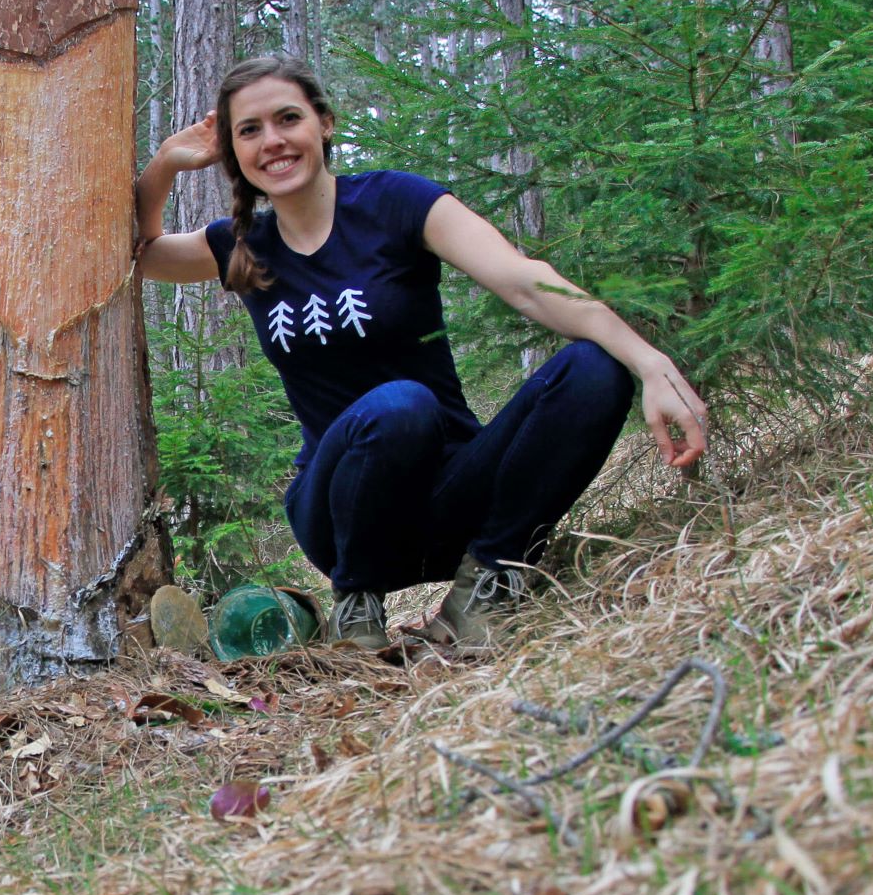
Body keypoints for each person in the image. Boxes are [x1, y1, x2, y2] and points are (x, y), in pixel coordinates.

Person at [136, 55, 706, 653]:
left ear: (324, 123)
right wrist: (169, 162)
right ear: (232, 150)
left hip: (451, 498)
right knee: (399, 406)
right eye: (249, 130)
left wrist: (648, 364)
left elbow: (522, 280)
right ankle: (357, 608)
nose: (273, 141)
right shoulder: (241, 243)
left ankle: (485, 587)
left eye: (288, 119)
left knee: (594, 369)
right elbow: (140, 253)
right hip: (339, 519)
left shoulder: (395, 203)